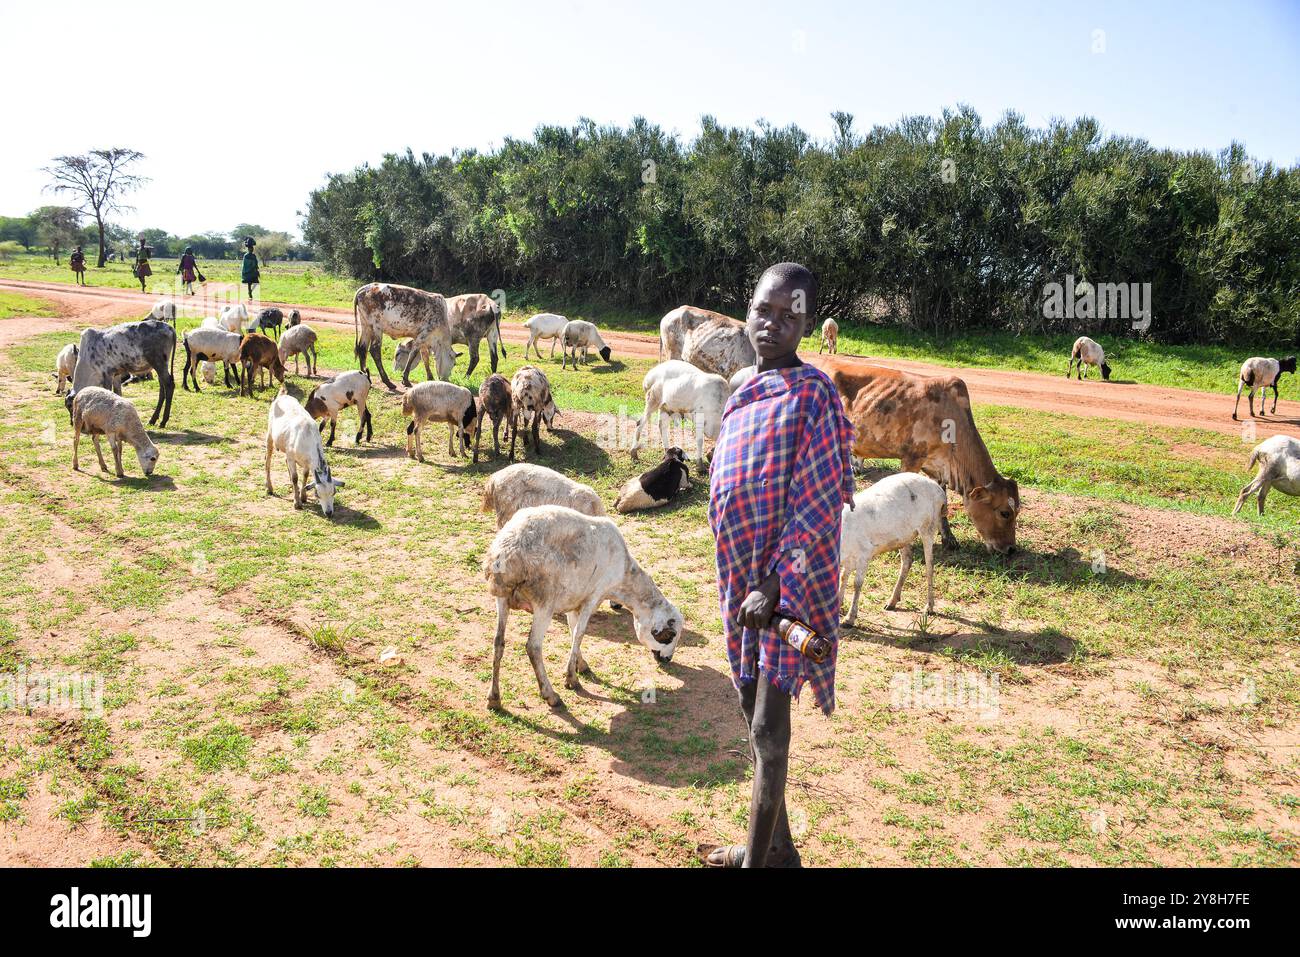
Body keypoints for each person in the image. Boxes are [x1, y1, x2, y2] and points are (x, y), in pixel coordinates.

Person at [705, 262, 855, 868]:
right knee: (749, 709)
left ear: (806, 324)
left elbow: (819, 505)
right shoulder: (743, 389)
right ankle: (777, 851)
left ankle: (757, 863)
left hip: (787, 589)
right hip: (739, 581)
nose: (772, 325)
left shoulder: (814, 395)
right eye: (763, 312)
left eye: (788, 316)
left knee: (770, 730)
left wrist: (772, 584)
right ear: (750, 310)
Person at [240, 237, 260, 301]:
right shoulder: (246, 256)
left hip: (254, 272)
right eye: (250, 248)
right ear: (248, 249)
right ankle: (250, 294)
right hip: (248, 272)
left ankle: (250, 291)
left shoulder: (254, 256)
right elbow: (245, 264)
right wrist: (250, 268)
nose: (251, 249)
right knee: (249, 283)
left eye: (252, 248)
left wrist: (257, 270)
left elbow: (256, 263)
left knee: (256, 283)